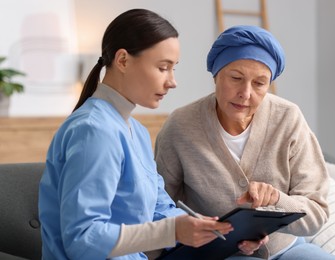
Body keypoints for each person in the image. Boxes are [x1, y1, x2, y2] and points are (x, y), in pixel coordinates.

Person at [38, 9, 233, 260]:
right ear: (122, 60)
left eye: (174, 69)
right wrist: (171, 231)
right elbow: (83, 239)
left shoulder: (136, 132)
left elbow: (159, 208)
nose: (172, 82)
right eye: (163, 68)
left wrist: (221, 232)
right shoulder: (93, 131)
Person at [154, 25, 335, 259]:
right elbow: (157, 208)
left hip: (286, 248)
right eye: (236, 78)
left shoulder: (288, 118)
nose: (246, 93)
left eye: (260, 83)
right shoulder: (180, 126)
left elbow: (316, 214)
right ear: (216, 75)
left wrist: (276, 200)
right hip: (218, 252)